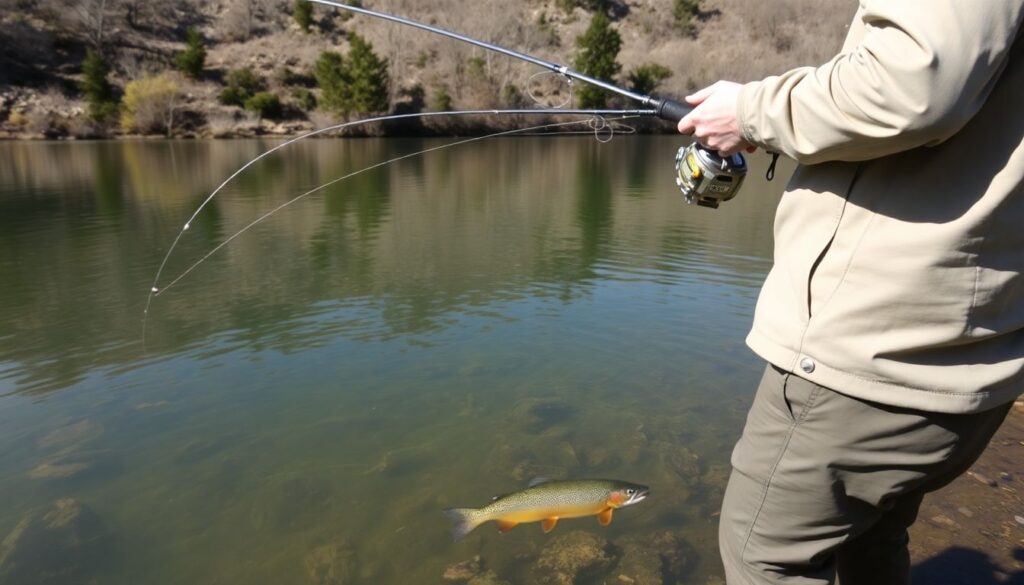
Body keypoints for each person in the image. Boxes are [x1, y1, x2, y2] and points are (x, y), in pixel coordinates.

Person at [676, 1, 1024, 584]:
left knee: (761, 552)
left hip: (874, 342)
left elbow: (913, 85)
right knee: (870, 532)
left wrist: (752, 110)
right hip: (963, 344)